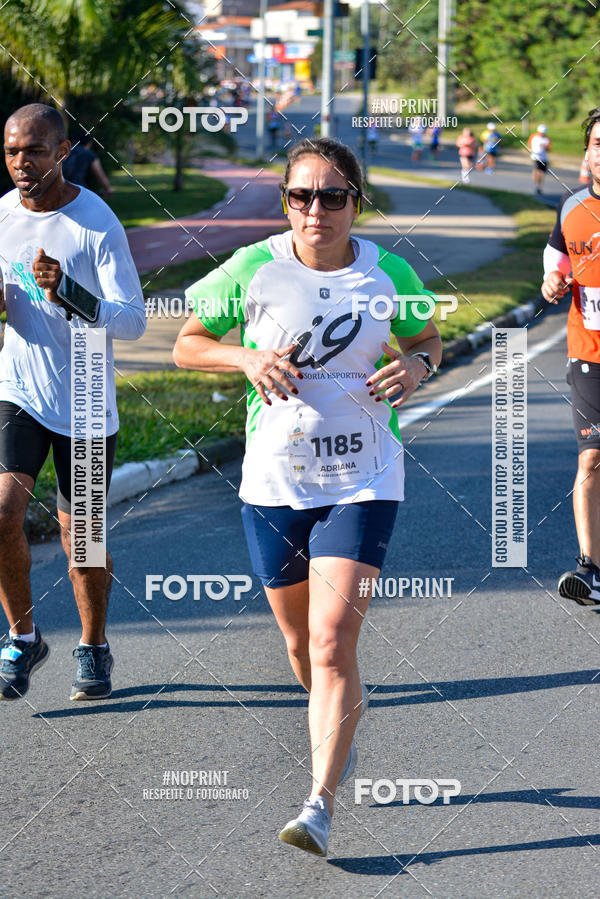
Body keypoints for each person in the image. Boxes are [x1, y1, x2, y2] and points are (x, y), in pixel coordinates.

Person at [173, 137, 442, 855]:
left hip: (365, 477)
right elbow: (187, 341)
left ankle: (319, 802)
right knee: (300, 643)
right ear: (285, 200)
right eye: (300, 196)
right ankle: (337, 720)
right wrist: (245, 356)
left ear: (357, 201)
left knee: (331, 640)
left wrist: (415, 365)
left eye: (332, 196)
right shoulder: (255, 267)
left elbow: (429, 337)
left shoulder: (389, 273)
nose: (314, 210)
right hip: (272, 481)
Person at [0, 104, 146, 701]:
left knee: (79, 536)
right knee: (2, 512)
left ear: (63, 152)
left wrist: (71, 293)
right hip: (19, 388)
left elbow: (133, 321)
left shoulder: (96, 222)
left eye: (33, 150)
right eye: (11, 151)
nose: (20, 163)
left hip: (85, 390)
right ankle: (23, 637)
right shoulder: (2, 214)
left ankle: (93, 645)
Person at [541, 106, 600, 606]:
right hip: (589, 355)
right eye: (599, 143)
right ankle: (590, 569)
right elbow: (556, 261)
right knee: (592, 459)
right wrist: (552, 282)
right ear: (587, 153)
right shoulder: (571, 206)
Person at [62, 127, 113, 197]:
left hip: (60, 189)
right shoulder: (88, 154)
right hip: (78, 191)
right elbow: (100, 175)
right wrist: (108, 188)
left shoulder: (64, 151)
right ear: (89, 143)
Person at [528, 124, 551, 194]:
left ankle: (539, 186)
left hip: (544, 158)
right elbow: (529, 145)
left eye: (543, 133)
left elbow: (548, 149)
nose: (542, 134)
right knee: (538, 172)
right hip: (535, 157)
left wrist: (544, 147)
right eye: (541, 132)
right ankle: (537, 186)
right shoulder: (533, 137)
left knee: (542, 173)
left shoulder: (547, 139)